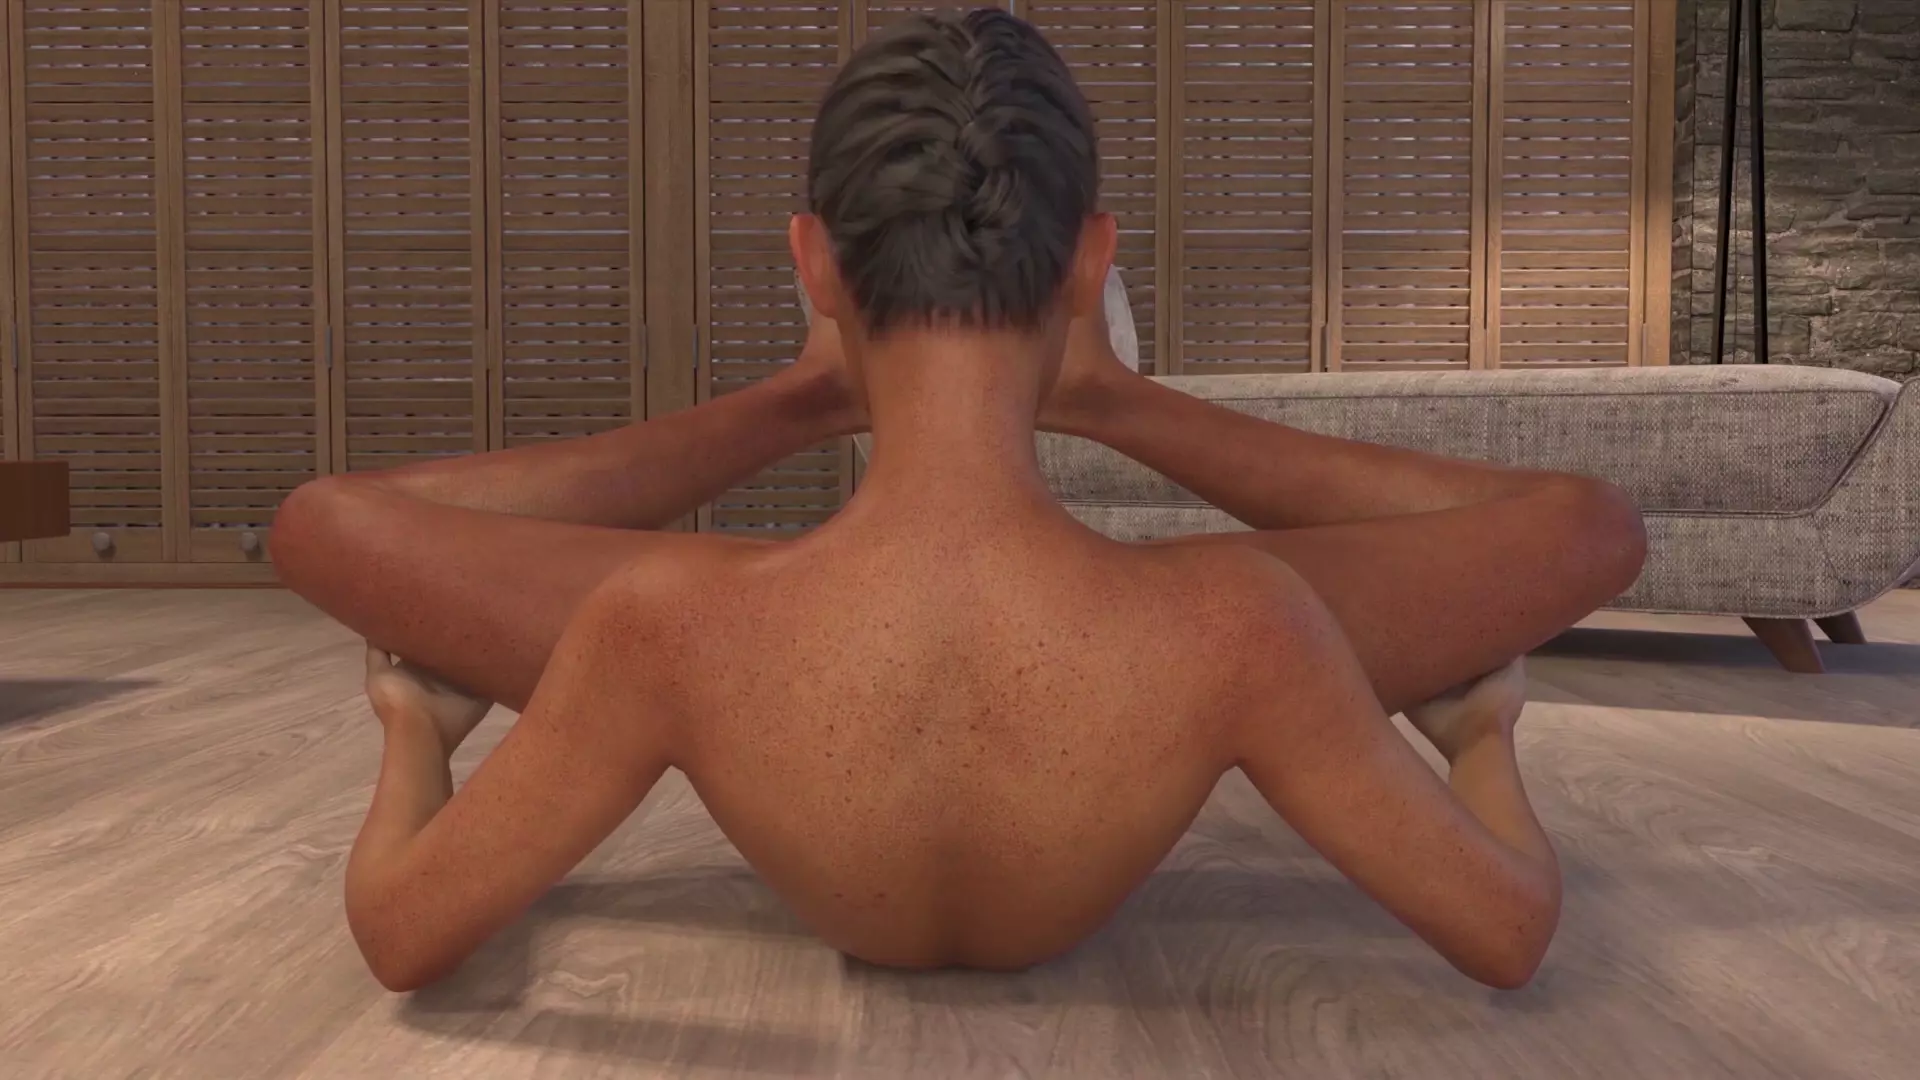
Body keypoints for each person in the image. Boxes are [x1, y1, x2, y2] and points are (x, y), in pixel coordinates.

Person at [271, 8, 1646, 993]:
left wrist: (415, 730)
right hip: (1153, 635)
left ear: (816, 264)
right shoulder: (1248, 624)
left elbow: (399, 931)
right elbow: (1511, 925)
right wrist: (1479, 736)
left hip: (750, 635)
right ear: (1089, 263)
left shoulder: (658, 624)